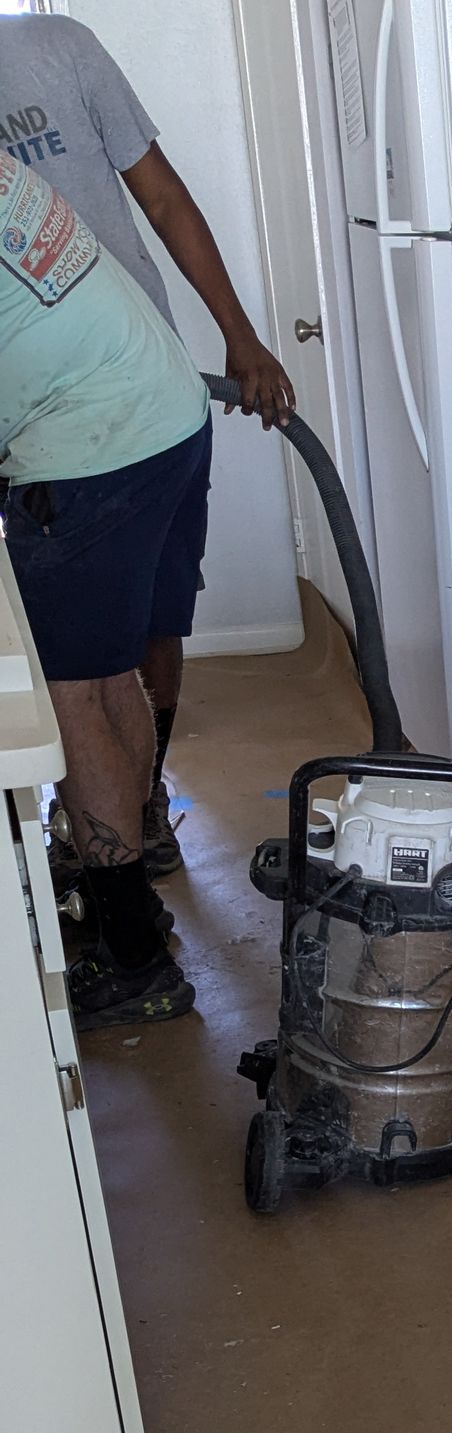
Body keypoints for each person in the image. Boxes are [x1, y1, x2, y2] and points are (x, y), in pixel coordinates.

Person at [0, 10, 293, 874]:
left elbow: (161, 197)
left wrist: (239, 334)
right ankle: (108, 818)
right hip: (48, 416)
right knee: (86, 663)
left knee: (144, 633)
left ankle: (138, 808)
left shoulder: (57, 48)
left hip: (130, 391)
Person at [1, 145, 214, 1026]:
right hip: (160, 412)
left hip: (89, 450)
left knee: (73, 697)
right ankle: (135, 908)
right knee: (105, 674)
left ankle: (132, 959)